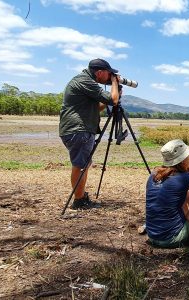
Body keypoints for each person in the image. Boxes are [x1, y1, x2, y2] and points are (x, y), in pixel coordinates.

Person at [59, 58, 120, 209]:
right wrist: (114, 84)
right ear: (99, 72)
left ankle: (81, 197)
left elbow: (96, 108)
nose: (110, 76)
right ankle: (79, 201)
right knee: (80, 165)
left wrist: (113, 93)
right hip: (79, 130)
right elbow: (113, 99)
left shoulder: (84, 81)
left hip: (78, 129)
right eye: (109, 74)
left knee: (83, 164)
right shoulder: (85, 81)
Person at [145, 139, 189, 248]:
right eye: (188, 156)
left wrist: (188, 167)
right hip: (171, 238)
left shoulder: (153, 175)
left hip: (152, 235)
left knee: (185, 195)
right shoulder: (185, 178)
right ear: (182, 160)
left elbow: (174, 187)